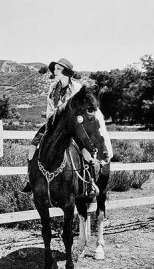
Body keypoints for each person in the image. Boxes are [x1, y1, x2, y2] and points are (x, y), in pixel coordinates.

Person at [21, 58, 104, 195]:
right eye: (55, 68)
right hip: (52, 124)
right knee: (32, 149)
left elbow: (79, 110)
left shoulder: (76, 88)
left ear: (66, 72)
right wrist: (52, 120)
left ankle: (90, 183)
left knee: (85, 151)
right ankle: (31, 180)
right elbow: (49, 107)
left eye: (58, 69)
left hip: (72, 126)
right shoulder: (53, 87)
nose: (55, 70)